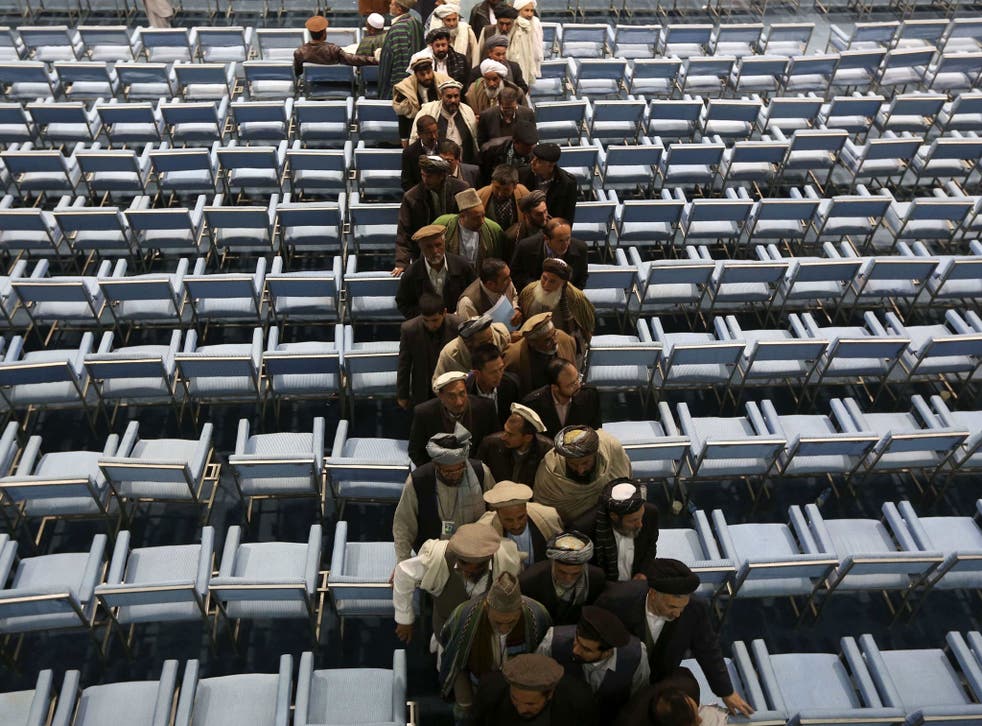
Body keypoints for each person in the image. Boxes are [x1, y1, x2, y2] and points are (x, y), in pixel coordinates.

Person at [595, 560, 755, 717]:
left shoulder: (695, 609)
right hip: (615, 681)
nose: (677, 614)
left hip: (657, 681)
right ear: (653, 594)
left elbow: (707, 649)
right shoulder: (615, 600)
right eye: (671, 607)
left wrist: (726, 692)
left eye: (682, 607)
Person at [440, 573, 553, 723]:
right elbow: (452, 650)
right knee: (465, 714)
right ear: (487, 607)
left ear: (520, 608)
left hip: (517, 686)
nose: (505, 628)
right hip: (476, 680)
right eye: (498, 622)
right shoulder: (464, 615)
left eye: (511, 622)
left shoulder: (536, 615)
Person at [393, 522, 521, 645]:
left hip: (488, 638)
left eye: (479, 566)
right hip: (448, 635)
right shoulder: (438, 558)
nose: (470, 570)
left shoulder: (505, 560)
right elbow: (403, 572)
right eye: (464, 563)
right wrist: (404, 619)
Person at [393, 424, 495, 561]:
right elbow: (404, 526)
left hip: (476, 551)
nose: (455, 474)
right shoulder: (418, 481)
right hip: (434, 555)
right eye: (448, 471)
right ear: (436, 465)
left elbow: (495, 514)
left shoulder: (481, 472)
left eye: (460, 469)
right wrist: (402, 562)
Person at [537, 606, 650, 715]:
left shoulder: (636, 656)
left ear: (608, 652)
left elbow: (638, 700)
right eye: (576, 640)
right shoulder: (552, 641)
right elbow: (536, 682)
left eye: (586, 649)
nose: (575, 650)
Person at [534, 425, 632, 525]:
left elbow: (626, 485)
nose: (580, 470)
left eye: (585, 463)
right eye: (573, 464)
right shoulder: (549, 472)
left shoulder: (611, 449)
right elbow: (544, 514)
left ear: (595, 454)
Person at [572, 479, 659, 583]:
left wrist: (643, 573)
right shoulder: (584, 528)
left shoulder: (651, 513)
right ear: (614, 517)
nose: (640, 524)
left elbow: (650, 546)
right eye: (633, 520)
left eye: (641, 517)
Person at [475, 653, 598, 726]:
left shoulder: (578, 700)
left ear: (550, 693)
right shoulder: (490, 691)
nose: (521, 709)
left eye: (530, 703)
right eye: (514, 698)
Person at [408, 370, 499, 465]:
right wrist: (439, 471)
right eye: (452, 396)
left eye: (462, 394)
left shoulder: (485, 408)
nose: (459, 402)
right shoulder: (424, 413)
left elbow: (494, 445)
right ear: (440, 396)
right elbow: (415, 452)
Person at [394, 159, 470, 272]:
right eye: (422, 175)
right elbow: (404, 232)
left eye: (429, 176)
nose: (424, 180)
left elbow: (470, 218)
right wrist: (401, 263)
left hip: (456, 248)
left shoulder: (461, 189)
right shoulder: (411, 197)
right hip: (425, 251)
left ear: (441, 176)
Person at [518, 531, 607, 625]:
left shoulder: (596, 578)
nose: (568, 578)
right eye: (562, 572)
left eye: (575, 574)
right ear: (553, 562)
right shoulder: (529, 581)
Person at [517, 258, 595, 358]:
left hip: (562, 349)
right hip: (533, 347)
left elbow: (587, 328)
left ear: (563, 283)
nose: (546, 285)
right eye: (544, 278)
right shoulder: (529, 291)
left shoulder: (576, 299)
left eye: (552, 281)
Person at [398, 292, 464, 409]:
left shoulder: (458, 325)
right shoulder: (409, 330)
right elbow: (404, 364)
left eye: (434, 320)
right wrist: (402, 395)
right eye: (426, 320)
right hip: (424, 387)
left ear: (444, 312)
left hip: (452, 384)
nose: (430, 325)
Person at [396, 224, 476, 318]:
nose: (435, 251)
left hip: (458, 322)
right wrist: (426, 317)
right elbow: (403, 304)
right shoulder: (412, 273)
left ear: (444, 243)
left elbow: (474, 294)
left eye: (438, 245)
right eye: (429, 247)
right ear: (421, 248)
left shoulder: (462, 266)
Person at [478, 479, 562, 566]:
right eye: (509, 520)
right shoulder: (484, 529)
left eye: (521, 517)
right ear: (497, 513)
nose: (516, 525)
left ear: (526, 508)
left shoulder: (548, 517)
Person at [617, 667, 730, 726]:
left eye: (696, 716)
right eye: (693, 723)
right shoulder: (629, 721)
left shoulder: (688, 685)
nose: (700, 720)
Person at [521, 357, 601, 439]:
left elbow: (596, 433)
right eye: (571, 385)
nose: (578, 385)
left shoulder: (590, 396)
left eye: (578, 378)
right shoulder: (532, 405)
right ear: (555, 387)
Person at [477, 403, 554, 487]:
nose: (503, 437)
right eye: (505, 430)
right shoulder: (490, 445)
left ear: (527, 437)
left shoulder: (546, 451)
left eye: (510, 434)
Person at [503, 312, 577, 395]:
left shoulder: (565, 339)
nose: (555, 341)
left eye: (554, 334)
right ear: (532, 343)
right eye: (548, 340)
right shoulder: (513, 358)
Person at [511, 217, 588, 292]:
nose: (565, 245)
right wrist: (538, 287)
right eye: (560, 241)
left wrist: (567, 293)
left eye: (568, 239)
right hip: (534, 294)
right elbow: (516, 274)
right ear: (547, 239)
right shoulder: (526, 247)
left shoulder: (581, 248)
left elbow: (582, 277)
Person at [432, 188, 504, 266]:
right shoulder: (443, 225)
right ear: (462, 216)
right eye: (476, 218)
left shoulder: (493, 229)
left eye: (483, 216)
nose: (482, 221)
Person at [294, 15, 379, 76]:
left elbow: (298, 72)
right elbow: (353, 59)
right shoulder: (333, 50)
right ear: (324, 33)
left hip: (312, 86)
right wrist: (374, 60)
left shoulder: (299, 52)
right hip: (338, 83)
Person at [394, 56, 449, 148]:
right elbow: (403, 117)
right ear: (415, 74)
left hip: (440, 128)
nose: (427, 77)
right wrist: (405, 140)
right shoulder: (405, 88)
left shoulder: (443, 82)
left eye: (428, 72)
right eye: (422, 74)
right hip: (416, 128)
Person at [434, 314, 511, 379]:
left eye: (491, 339)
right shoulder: (449, 355)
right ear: (469, 344)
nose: (490, 344)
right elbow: (438, 385)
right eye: (484, 342)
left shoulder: (501, 335)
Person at [518, 142, 578, 224]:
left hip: (551, 229)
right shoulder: (522, 173)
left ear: (551, 165)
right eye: (533, 158)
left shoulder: (568, 183)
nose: (532, 163)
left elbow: (568, 217)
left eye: (538, 161)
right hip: (527, 225)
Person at [477, 164, 529, 257]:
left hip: (515, 249)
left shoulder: (523, 193)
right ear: (492, 182)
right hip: (488, 248)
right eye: (496, 188)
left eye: (506, 190)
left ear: (515, 185)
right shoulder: (479, 196)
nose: (500, 194)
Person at [378, 0, 425, 101]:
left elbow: (394, 62)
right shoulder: (415, 23)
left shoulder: (398, 28)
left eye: (392, 3)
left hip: (399, 89)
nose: (389, 6)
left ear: (399, 9)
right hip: (413, 86)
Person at [466, 344, 522, 428]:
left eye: (501, 369)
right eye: (493, 372)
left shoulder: (511, 384)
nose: (499, 375)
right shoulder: (466, 391)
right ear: (477, 373)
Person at [456, 257, 519, 322]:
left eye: (509, 276)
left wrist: (516, 308)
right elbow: (470, 330)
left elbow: (514, 296)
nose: (510, 280)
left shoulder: (506, 282)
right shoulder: (467, 303)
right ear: (490, 284)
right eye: (505, 279)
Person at [480, 118, 538, 184]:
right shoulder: (494, 152)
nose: (531, 149)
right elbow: (485, 177)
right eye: (527, 146)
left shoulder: (536, 158)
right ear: (515, 142)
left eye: (532, 145)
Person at [401, 115, 443, 191]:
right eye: (429, 133)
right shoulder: (409, 153)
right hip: (420, 197)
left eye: (435, 131)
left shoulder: (445, 147)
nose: (434, 136)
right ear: (419, 134)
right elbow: (406, 182)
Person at [508, 0, 543, 81]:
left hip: (531, 62)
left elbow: (538, 47)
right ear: (519, 10)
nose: (529, 14)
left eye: (532, 10)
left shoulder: (536, 23)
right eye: (526, 10)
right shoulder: (513, 24)